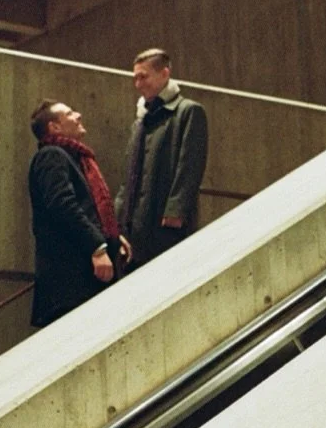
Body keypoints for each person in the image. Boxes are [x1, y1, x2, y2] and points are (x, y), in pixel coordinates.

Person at [27, 99, 130, 327]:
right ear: (55, 127)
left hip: (81, 277)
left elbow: (89, 207)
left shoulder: (76, 159)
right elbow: (63, 205)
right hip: (71, 278)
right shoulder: (51, 156)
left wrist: (113, 235)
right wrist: (97, 246)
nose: (79, 115)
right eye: (70, 113)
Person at [116, 48, 208, 270]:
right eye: (135, 78)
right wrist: (117, 220)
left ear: (164, 74)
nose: (138, 84)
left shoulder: (188, 111)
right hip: (133, 227)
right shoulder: (140, 121)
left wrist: (175, 212)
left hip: (166, 225)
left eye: (143, 76)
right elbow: (128, 176)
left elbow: (190, 166)